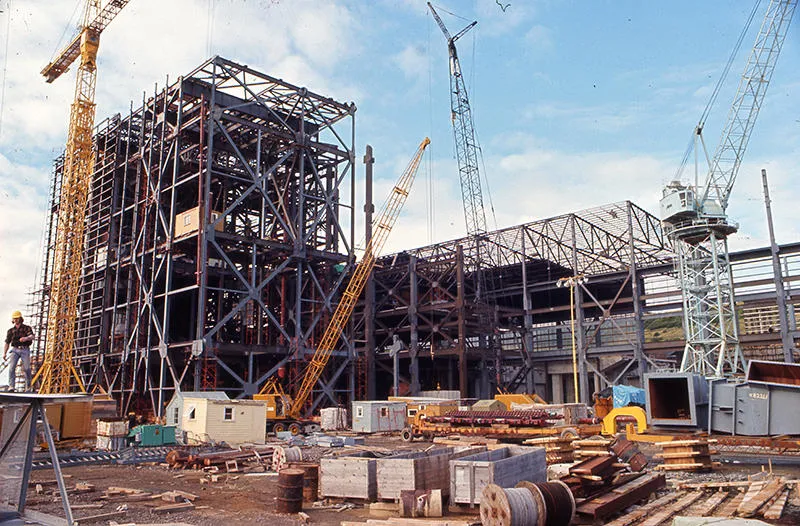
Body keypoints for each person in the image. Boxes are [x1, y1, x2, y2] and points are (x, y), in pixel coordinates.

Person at [4, 311, 34, 391]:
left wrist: (26, 338)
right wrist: (4, 353)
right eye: (14, 318)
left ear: (20, 319)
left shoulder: (26, 328)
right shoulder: (11, 331)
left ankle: (28, 387)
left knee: (27, 368)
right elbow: (7, 342)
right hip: (15, 350)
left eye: (17, 318)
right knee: (11, 368)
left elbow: (32, 336)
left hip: (25, 349)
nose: (16, 320)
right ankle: (11, 386)